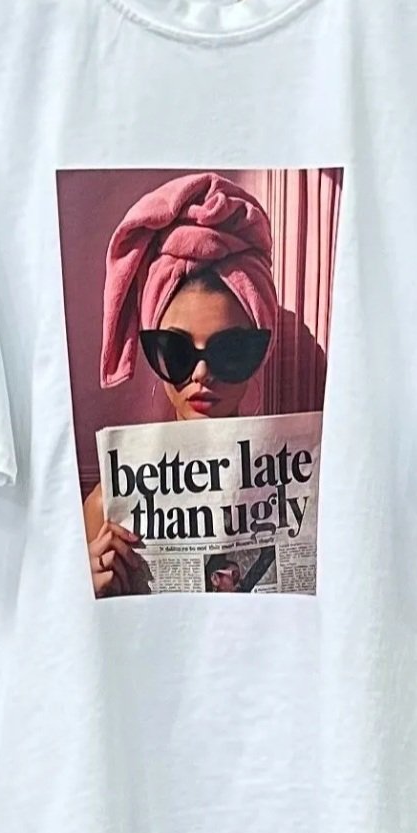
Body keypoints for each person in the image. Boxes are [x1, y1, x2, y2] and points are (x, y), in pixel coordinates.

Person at [83, 172, 279, 597]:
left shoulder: (308, 485)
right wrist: (86, 592)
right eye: (176, 351)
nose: (202, 374)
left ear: (260, 351)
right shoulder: (107, 504)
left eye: (231, 350)